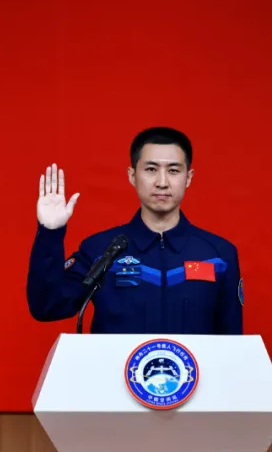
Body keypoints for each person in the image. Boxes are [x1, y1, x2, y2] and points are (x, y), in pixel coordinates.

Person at [26, 126, 242, 334]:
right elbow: (48, 306)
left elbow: (233, 344)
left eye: (173, 171)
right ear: (132, 175)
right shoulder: (101, 250)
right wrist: (50, 234)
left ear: (188, 178)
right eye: (151, 169)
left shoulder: (218, 255)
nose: (162, 182)